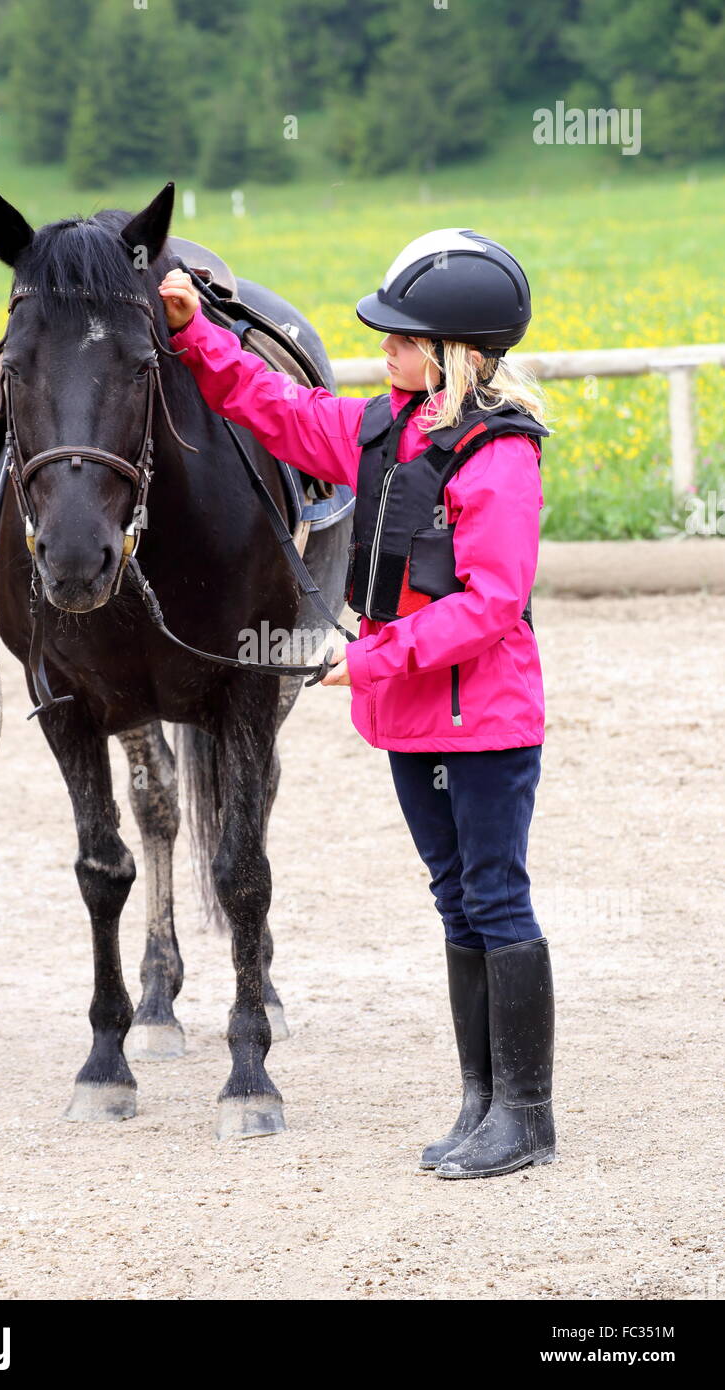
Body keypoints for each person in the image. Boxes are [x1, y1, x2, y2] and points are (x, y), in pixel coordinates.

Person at [158, 228, 556, 1180]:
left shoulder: (500, 459)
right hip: (415, 719)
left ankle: (528, 1113)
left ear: (451, 352)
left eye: (399, 337)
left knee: (496, 898)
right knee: (455, 900)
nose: (382, 348)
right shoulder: (385, 428)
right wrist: (194, 334)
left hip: (484, 721)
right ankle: (479, 1100)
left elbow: (494, 604)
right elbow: (279, 409)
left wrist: (374, 659)